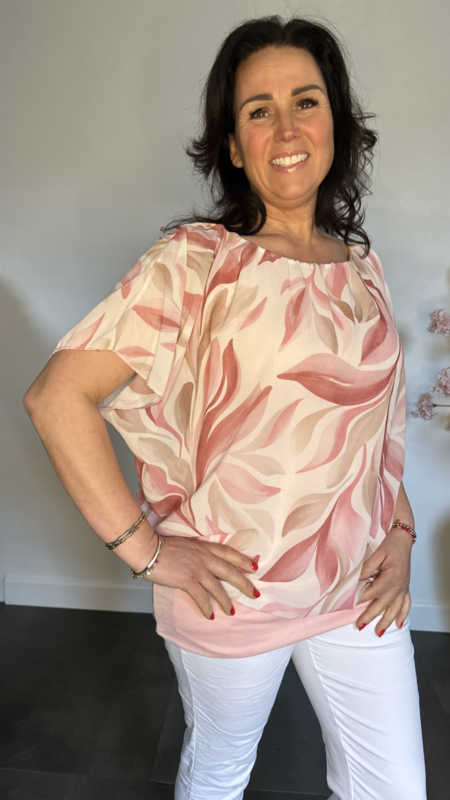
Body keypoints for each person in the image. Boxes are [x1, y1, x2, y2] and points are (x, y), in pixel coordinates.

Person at [23, 15, 427, 800]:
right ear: (235, 146)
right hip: (235, 595)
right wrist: (149, 553)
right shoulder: (195, 262)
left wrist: (402, 530)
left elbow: (367, 431)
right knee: (219, 773)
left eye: (306, 101)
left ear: (336, 122)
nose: (287, 128)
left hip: (358, 588)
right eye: (258, 110)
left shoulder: (362, 266)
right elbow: (56, 397)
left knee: (395, 787)